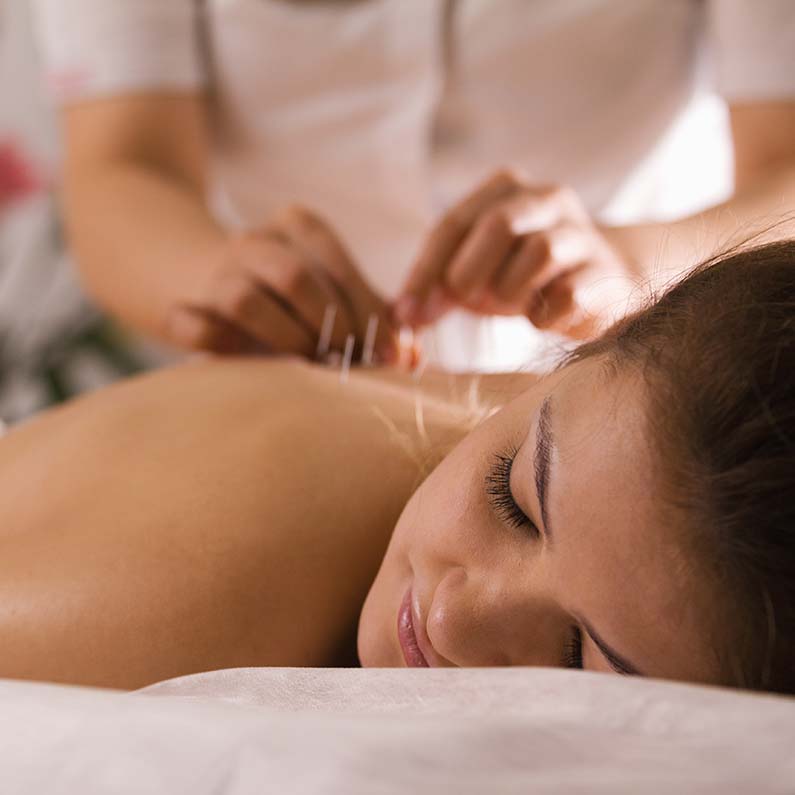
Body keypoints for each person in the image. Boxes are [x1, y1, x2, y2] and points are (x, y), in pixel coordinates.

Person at [0, 239, 792, 694]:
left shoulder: (599, 415)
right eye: (512, 501)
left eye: (573, 657)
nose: (450, 619)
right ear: (591, 343)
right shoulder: (216, 589)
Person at [30, 1, 795, 369]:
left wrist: (630, 266)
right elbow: (122, 163)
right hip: (288, 392)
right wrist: (217, 279)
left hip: (633, 364)